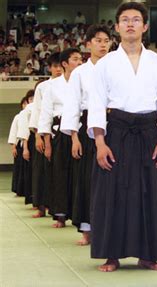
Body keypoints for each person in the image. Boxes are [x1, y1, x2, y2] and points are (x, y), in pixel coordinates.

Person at [87, 2, 157, 272]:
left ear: (145, 27)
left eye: (136, 20)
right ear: (117, 27)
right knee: (111, 192)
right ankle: (111, 254)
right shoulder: (105, 64)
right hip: (117, 130)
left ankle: (148, 254)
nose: (130, 24)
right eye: (124, 19)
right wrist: (100, 142)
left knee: (149, 192)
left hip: (149, 132)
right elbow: (96, 103)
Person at [59, 25, 111, 246]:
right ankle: (87, 228)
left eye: (106, 40)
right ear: (88, 44)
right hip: (87, 125)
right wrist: (74, 137)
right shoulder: (80, 72)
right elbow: (72, 107)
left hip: (114, 124)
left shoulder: (118, 67)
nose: (102, 44)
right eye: (98, 40)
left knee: (113, 178)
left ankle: (110, 226)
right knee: (88, 178)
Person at [38, 48, 83, 228]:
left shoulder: (85, 81)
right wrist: (47, 141)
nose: (80, 62)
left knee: (79, 175)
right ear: (65, 63)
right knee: (60, 174)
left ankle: (79, 213)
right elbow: (46, 114)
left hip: (80, 130)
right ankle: (61, 213)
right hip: (59, 133)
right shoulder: (52, 86)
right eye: (75, 59)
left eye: (81, 59)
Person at [28, 53, 63, 218]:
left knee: (59, 172)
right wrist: (37, 136)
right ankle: (41, 206)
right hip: (44, 132)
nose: (58, 70)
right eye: (55, 67)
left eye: (61, 67)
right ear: (49, 68)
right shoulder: (43, 87)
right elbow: (37, 111)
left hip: (63, 132)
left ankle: (58, 207)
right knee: (42, 171)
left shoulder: (70, 83)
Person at [17, 90, 35, 205]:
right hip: (31, 139)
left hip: (48, 137)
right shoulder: (27, 111)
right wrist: (25, 148)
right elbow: (24, 132)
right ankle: (34, 199)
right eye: (31, 98)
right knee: (32, 172)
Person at [8, 97, 28, 197]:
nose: (25, 105)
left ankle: (26, 190)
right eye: (23, 103)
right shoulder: (18, 116)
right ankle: (18, 189)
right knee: (19, 168)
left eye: (26, 103)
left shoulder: (31, 114)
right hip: (20, 145)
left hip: (29, 143)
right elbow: (14, 132)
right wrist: (14, 147)